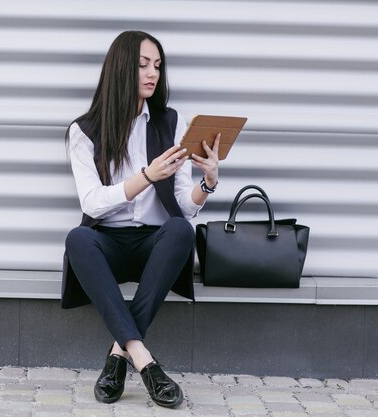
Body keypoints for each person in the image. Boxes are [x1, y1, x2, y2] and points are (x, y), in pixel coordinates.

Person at [61, 30, 220, 409]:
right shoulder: (83, 131)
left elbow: (183, 203)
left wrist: (209, 182)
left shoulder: (171, 122)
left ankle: (119, 355)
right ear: (120, 69)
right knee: (77, 239)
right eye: (143, 65)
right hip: (108, 245)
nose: (153, 74)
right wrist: (146, 176)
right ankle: (145, 361)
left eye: (158, 66)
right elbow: (93, 203)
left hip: (154, 244)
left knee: (181, 228)